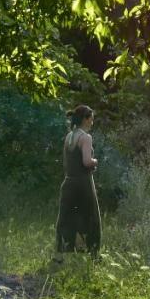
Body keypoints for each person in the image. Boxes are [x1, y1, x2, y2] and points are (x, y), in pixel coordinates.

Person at [55, 104, 101, 255]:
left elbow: (66, 162)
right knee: (90, 218)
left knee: (68, 219)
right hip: (83, 184)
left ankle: (65, 251)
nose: (92, 122)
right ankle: (91, 253)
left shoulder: (69, 137)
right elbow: (87, 162)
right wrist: (95, 162)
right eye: (91, 119)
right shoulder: (85, 138)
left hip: (69, 182)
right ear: (85, 119)